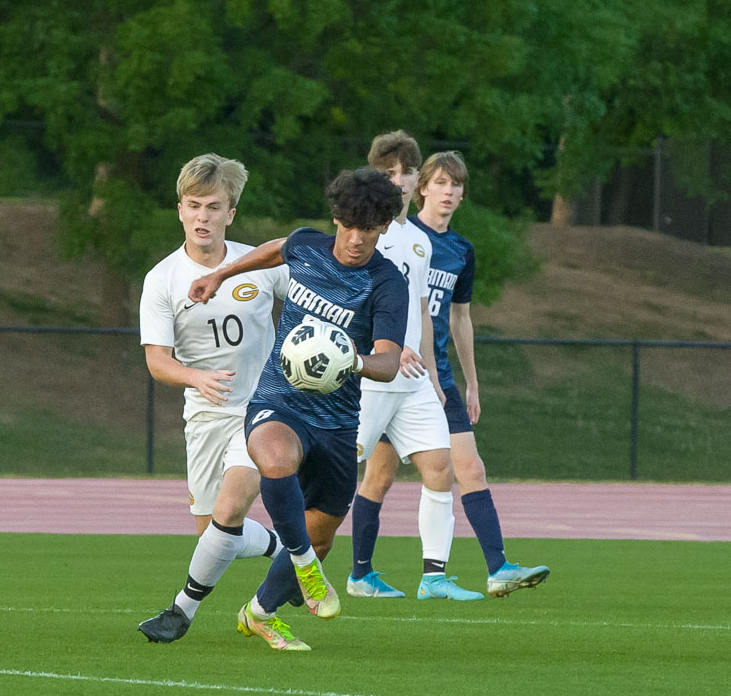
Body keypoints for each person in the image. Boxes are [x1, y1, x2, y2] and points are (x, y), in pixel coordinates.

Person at [190, 167, 408, 651]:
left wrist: (352, 358)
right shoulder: (309, 245)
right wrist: (220, 274)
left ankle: (260, 613)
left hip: (336, 422)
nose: (355, 239)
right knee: (275, 459)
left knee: (323, 534)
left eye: (368, 230)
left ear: (384, 228)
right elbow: (276, 247)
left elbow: (390, 363)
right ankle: (307, 568)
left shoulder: (386, 283)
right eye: (348, 226)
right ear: (336, 219)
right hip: (278, 400)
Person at [357, 151, 549, 598]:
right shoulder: (395, 233)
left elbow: (459, 318)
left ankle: (492, 568)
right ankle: (359, 572)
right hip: (390, 372)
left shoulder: (460, 249)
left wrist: (471, 380)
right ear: (423, 187)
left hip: (433, 376)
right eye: (440, 183)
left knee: (466, 468)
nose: (448, 192)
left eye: (455, 185)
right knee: (377, 478)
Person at [135, 153, 289, 643]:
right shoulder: (163, 279)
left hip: (263, 409)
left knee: (231, 508)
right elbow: (157, 361)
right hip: (205, 415)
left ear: (231, 214)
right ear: (179, 210)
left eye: (213, 206)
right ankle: (289, 546)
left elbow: (311, 298)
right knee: (214, 535)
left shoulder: (260, 265)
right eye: (193, 205)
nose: (203, 216)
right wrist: (194, 378)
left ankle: (180, 612)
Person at [347, 131, 479, 600]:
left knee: (440, 467)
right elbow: (352, 300)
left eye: (405, 172)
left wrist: (435, 376)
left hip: (414, 378)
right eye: (389, 173)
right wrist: (385, 346)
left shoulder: (417, 241)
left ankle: (434, 577)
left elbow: (423, 308)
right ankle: (325, 566)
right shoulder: (366, 237)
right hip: (372, 375)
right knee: (342, 473)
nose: (398, 181)